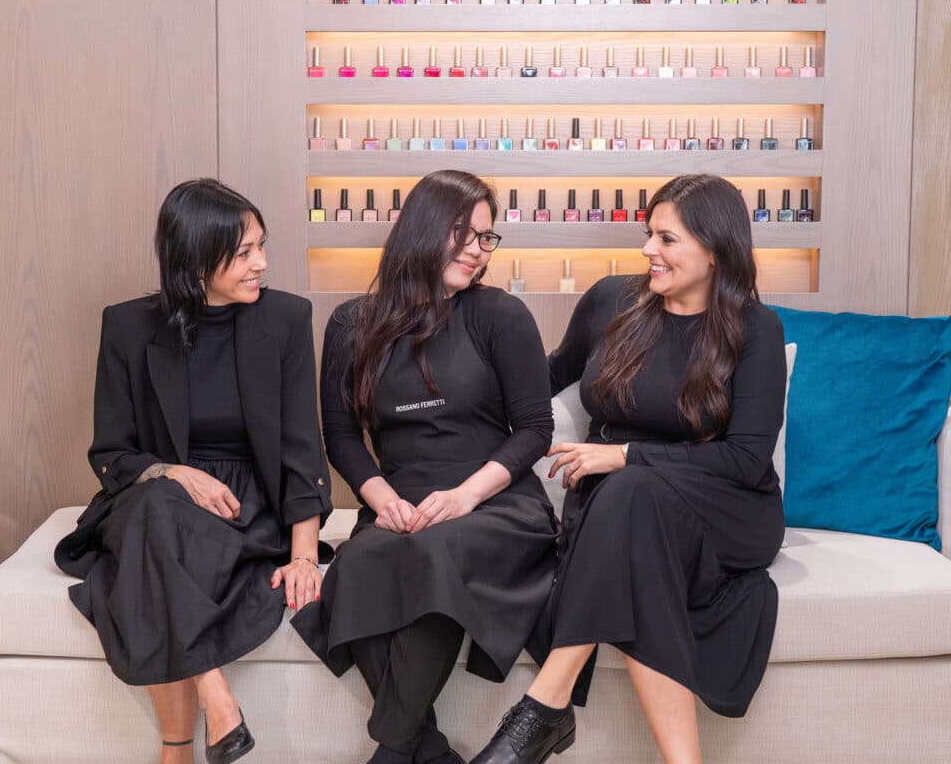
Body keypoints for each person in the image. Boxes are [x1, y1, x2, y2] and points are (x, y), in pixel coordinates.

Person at [471, 174, 787, 764]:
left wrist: (625, 455)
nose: (647, 250)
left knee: (630, 487)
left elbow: (745, 460)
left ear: (715, 250)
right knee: (631, 505)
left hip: (724, 509)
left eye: (666, 239)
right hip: (622, 508)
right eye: (648, 234)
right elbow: (540, 381)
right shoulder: (613, 301)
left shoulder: (755, 328)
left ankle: (543, 709)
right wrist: (451, 402)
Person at [54, 178, 332, 764]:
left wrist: (304, 552)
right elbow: (112, 451)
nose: (262, 263)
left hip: (246, 510)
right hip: (155, 498)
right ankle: (215, 695)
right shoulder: (129, 327)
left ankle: (175, 751)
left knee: (148, 560)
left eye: (261, 246)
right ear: (195, 261)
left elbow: (301, 448)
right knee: (157, 513)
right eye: (243, 254)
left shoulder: (284, 319)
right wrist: (174, 474)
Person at [291, 170, 560, 764]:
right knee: (359, 564)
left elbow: (535, 430)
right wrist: (380, 497)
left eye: (487, 237)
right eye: (462, 232)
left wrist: (466, 496)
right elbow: (340, 434)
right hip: (400, 500)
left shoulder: (500, 315)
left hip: (495, 501)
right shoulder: (351, 325)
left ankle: (392, 751)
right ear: (420, 229)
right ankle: (429, 751)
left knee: (437, 550)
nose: (476, 249)